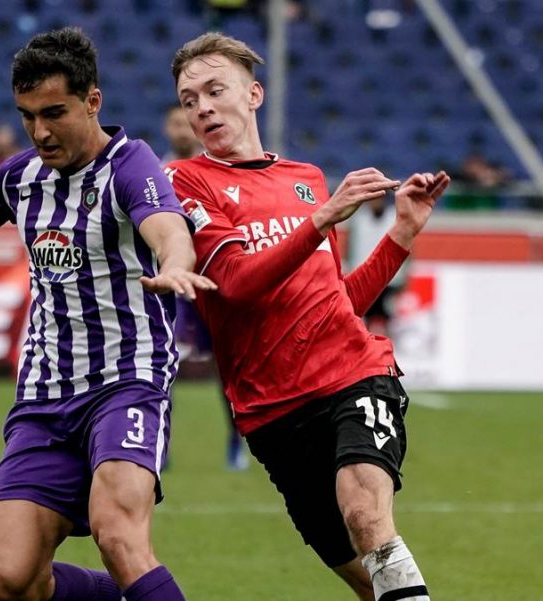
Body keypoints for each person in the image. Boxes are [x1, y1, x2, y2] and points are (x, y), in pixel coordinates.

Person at [0, 28, 212, 601]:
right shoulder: (23, 175)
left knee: (118, 534)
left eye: (54, 113)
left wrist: (176, 262)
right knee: (11, 578)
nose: (40, 131)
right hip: (44, 397)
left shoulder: (131, 166)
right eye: (28, 115)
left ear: (92, 101)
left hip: (125, 384)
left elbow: (167, 227)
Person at [166, 33, 450, 600]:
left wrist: (400, 234)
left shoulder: (307, 179)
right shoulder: (187, 182)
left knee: (366, 514)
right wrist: (319, 221)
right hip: (271, 414)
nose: (201, 107)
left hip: (352, 376)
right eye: (189, 97)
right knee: (370, 583)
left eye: (214, 90)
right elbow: (238, 284)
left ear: (254, 94)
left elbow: (337, 303)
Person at [160, 103, 246, 470]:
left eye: (186, 122)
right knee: (165, 366)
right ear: (167, 128)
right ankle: (159, 445)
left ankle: (235, 443)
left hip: (212, 284)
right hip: (173, 286)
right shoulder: (153, 174)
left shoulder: (212, 171)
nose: (182, 128)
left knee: (225, 369)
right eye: (176, 122)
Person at [347, 195, 406, 338]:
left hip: (391, 279)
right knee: (362, 317)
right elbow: (349, 247)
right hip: (364, 277)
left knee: (389, 318)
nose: (375, 203)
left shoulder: (395, 217)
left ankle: (389, 352)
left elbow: (408, 246)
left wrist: (405, 277)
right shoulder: (359, 219)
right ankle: (365, 351)